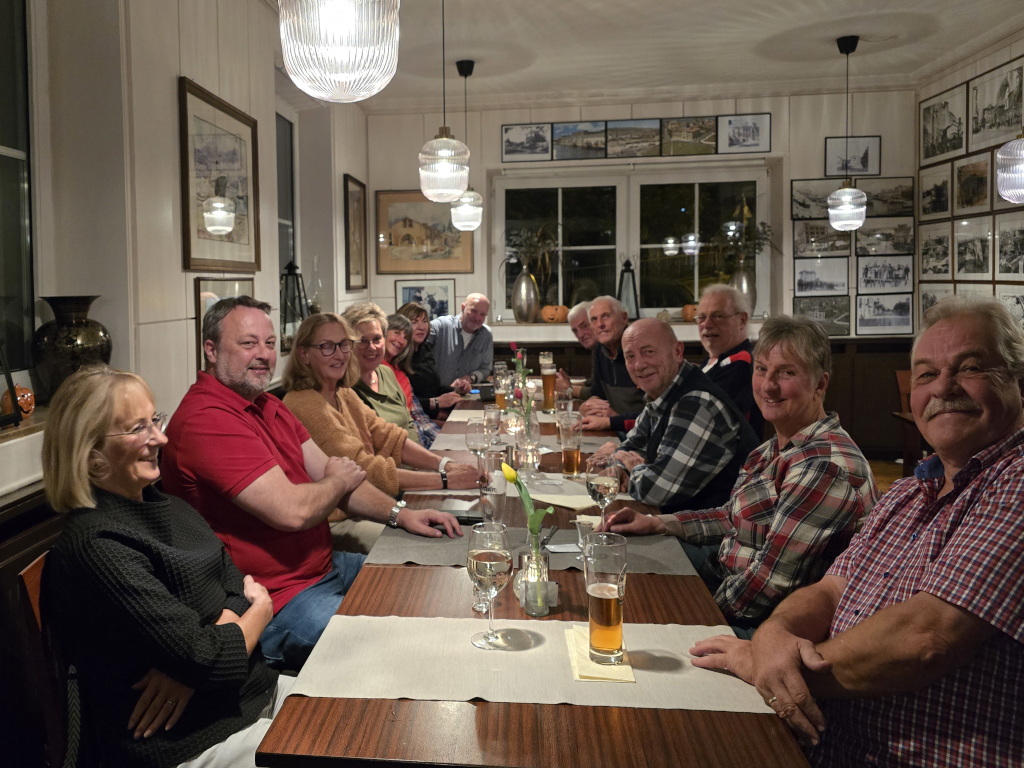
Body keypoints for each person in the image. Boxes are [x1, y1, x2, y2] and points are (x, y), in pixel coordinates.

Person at [689, 295, 1024, 767]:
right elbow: (830, 589)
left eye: (970, 368)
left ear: (1017, 379)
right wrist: (775, 633)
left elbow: (926, 639)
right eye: (926, 374)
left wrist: (764, 664)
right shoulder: (909, 492)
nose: (943, 387)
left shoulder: (1015, 481)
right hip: (821, 740)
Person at [162, 297, 460, 671]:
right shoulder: (207, 418)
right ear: (211, 349)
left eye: (270, 343)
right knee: (403, 647)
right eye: (249, 343)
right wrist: (337, 480)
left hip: (324, 566)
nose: (263, 355)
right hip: (278, 599)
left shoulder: (268, 405)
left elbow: (341, 480)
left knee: (432, 581)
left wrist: (402, 514)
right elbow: (294, 510)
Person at [41, 366, 290, 767]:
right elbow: (210, 651)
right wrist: (261, 611)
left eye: (154, 420)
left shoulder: (172, 507)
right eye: (137, 429)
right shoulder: (97, 547)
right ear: (90, 454)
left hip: (252, 695)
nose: (160, 438)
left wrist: (195, 667)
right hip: (189, 742)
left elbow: (234, 589)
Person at [601, 316, 876, 634]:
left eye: (786, 372)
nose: (768, 385)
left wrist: (687, 611)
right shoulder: (775, 447)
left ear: (820, 384)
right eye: (761, 369)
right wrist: (658, 523)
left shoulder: (823, 467)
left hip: (767, 628)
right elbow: (731, 518)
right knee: (616, 559)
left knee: (633, 612)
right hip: (723, 574)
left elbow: (767, 586)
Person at [282, 312, 480, 496]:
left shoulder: (343, 393)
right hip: (346, 513)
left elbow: (390, 437)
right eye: (326, 346)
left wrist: (446, 465)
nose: (339, 354)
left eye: (343, 344)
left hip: (373, 498)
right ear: (303, 354)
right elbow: (361, 467)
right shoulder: (303, 403)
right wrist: (445, 479)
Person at [594, 317, 760, 513]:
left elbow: (655, 490)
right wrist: (622, 468)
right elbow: (632, 446)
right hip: (676, 522)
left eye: (648, 352)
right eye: (630, 356)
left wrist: (634, 469)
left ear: (677, 352)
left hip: (721, 530)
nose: (638, 365)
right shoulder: (662, 393)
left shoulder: (697, 403)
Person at [342, 302, 429, 446]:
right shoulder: (345, 387)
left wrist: (423, 457)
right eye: (362, 340)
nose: (371, 347)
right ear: (347, 343)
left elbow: (409, 423)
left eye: (377, 339)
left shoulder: (387, 373)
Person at [696, 284, 764, 436]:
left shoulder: (742, 363)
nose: (707, 324)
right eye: (701, 317)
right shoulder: (710, 363)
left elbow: (705, 418)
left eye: (718, 316)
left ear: (742, 320)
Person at [579, 296, 645, 432]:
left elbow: (655, 416)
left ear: (624, 318)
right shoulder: (599, 349)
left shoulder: (640, 351)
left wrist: (614, 420)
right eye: (594, 319)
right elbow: (598, 392)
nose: (600, 324)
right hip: (616, 430)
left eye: (606, 316)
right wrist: (589, 405)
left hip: (642, 434)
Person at [397, 301, 463, 417]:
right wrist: (437, 403)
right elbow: (402, 403)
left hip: (433, 414)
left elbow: (432, 388)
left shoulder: (425, 349)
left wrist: (455, 390)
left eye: (425, 321)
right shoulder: (398, 357)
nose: (421, 327)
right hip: (417, 419)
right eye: (414, 322)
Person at [429, 292, 493, 394]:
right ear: (463, 307)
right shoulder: (440, 326)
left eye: (482, 314)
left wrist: (471, 378)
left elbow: (485, 369)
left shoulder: (486, 335)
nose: (477, 318)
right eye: (474, 311)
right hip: (436, 397)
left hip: (464, 397)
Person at [554, 300, 595, 399]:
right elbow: (594, 383)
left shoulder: (611, 347)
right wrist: (569, 384)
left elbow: (604, 394)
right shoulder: (597, 349)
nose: (580, 335)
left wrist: (570, 389)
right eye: (575, 331)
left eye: (584, 326)